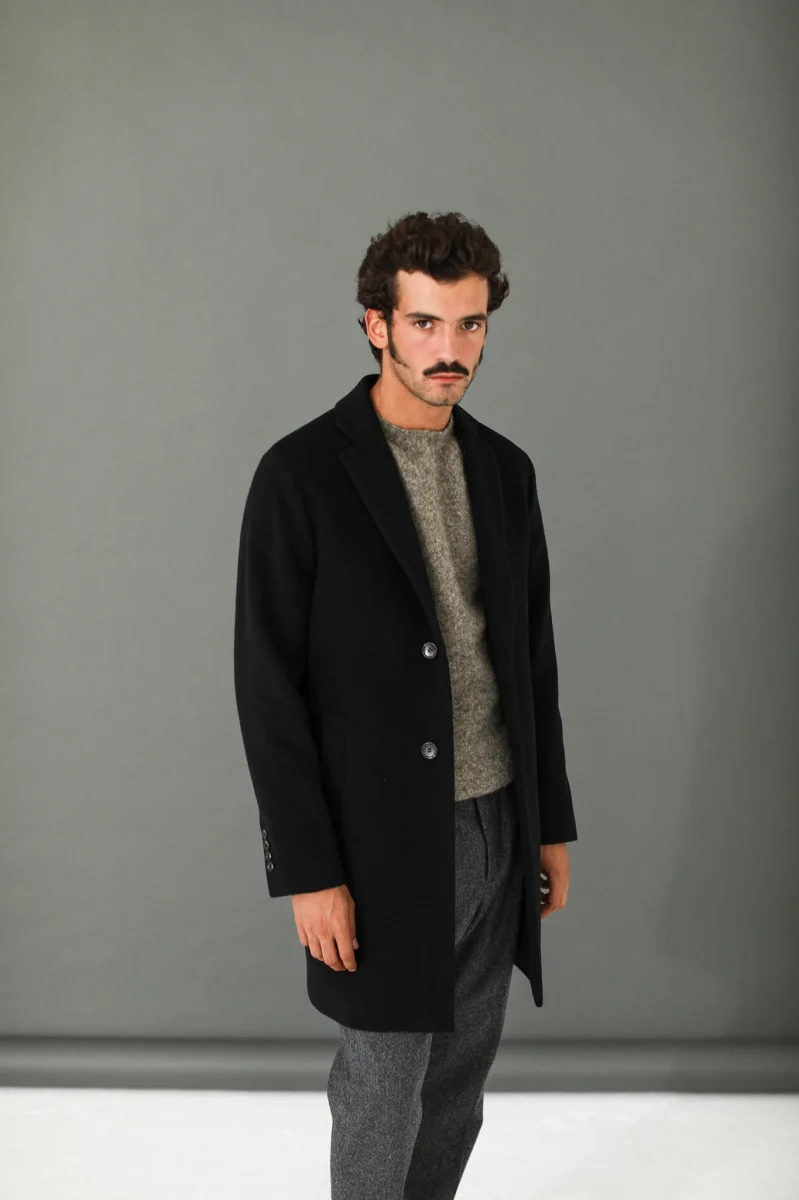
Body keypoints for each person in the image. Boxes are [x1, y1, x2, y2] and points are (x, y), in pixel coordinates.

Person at [233, 209, 577, 1199]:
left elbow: (532, 659)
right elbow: (267, 686)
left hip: (497, 821)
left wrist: (548, 822)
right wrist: (309, 871)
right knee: (383, 1086)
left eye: (469, 325)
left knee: (458, 1083)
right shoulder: (300, 475)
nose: (449, 349)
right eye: (425, 323)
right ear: (376, 325)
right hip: (378, 840)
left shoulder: (504, 471)